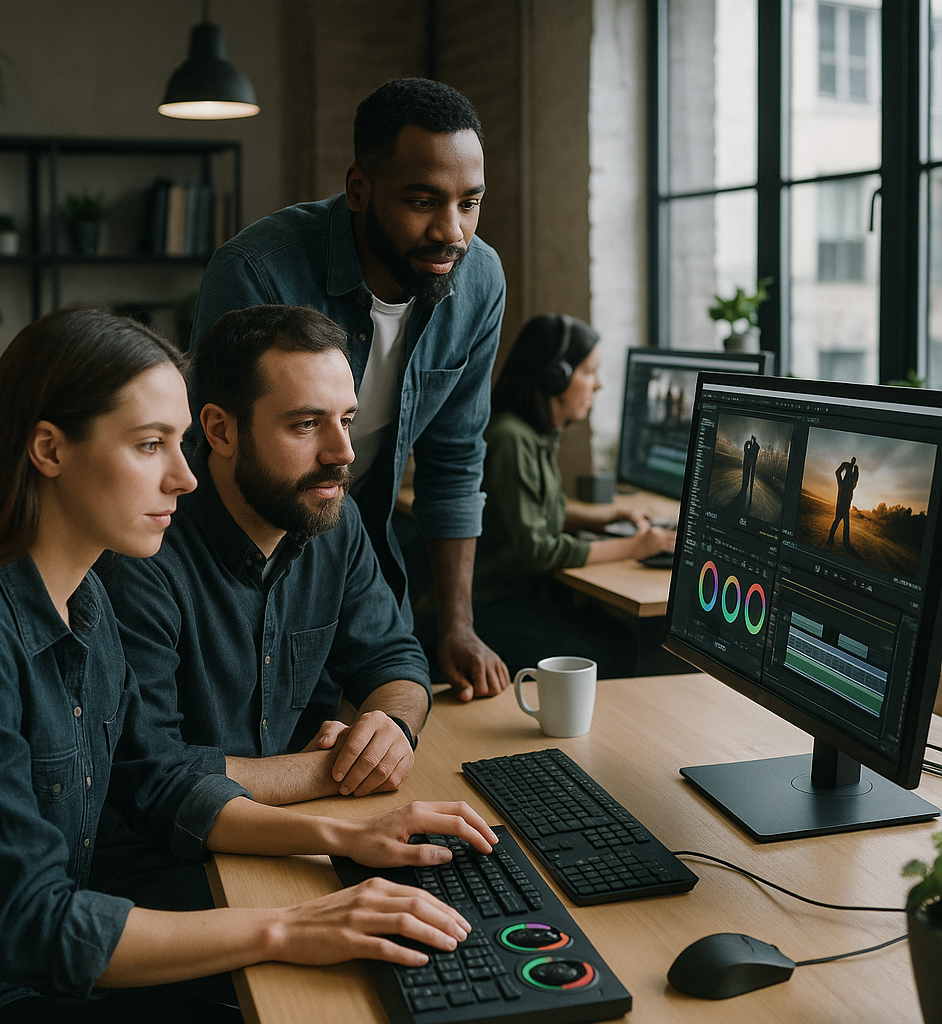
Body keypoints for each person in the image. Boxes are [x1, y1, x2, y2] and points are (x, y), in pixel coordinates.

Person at [0, 307, 496, 1024]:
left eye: (180, 443)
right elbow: (37, 926)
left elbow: (155, 787)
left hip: (66, 969)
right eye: (150, 445)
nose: (186, 478)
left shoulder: (85, 598)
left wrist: (342, 837)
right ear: (49, 449)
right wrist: (286, 926)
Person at [90, 304, 437, 912]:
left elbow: (393, 655)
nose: (342, 453)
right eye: (306, 425)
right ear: (220, 431)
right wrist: (329, 770)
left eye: (347, 420)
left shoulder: (334, 518)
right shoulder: (143, 546)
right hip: (158, 873)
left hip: (291, 840)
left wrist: (391, 727)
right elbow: (151, 774)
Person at [190, 77, 508, 704]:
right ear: (358, 189)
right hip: (238, 561)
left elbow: (455, 459)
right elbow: (219, 453)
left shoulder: (479, 282)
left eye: (469, 203)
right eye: (424, 201)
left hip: (360, 559)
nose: (453, 232)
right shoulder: (258, 271)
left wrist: (458, 625)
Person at [473, 313, 674, 674]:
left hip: (524, 596)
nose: (598, 386)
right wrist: (635, 546)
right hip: (496, 604)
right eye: (590, 372)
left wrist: (606, 517)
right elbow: (538, 551)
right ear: (555, 377)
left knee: (625, 637)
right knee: (623, 649)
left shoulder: (536, 434)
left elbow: (535, 512)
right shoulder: (510, 439)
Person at [828, 455, 859, 552]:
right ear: (851, 460)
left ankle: (845, 542)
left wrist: (850, 489)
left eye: (855, 460)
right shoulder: (846, 465)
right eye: (852, 460)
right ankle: (831, 539)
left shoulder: (856, 471)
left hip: (848, 497)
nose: (853, 461)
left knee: (845, 521)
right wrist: (841, 484)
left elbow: (855, 483)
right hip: (842, 497)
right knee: (838, 519)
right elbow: (837, 472)